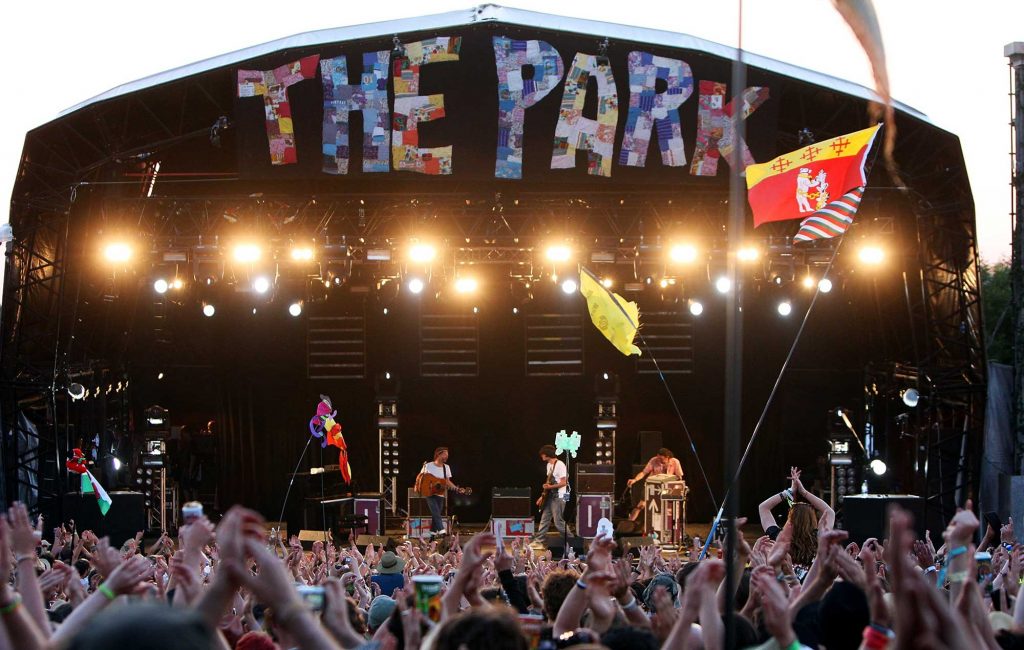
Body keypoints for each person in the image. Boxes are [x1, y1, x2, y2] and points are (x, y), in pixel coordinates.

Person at [415, 447, 465, 536]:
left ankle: (432, 534)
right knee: (436, 512)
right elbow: (420, 478)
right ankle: (442, 531)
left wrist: (457, 489)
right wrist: (424, 486)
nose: (447, 457)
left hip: (440, 494)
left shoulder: (446, 467)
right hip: (429, 493)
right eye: (445, 455)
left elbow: (447, 481)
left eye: (447, 455)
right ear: (438, 454)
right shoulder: (428, 466)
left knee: (436, 513)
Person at [625, 448, 683, 522]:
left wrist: (677, 487)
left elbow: (679, 476)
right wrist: (635, 480)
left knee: (670, 506)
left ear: (667, 457)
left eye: (662, 459)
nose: (659, 461)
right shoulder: (653, 460)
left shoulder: (675, 461)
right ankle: (629, 523)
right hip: (652, 485)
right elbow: (643, 473)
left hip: (667, 487)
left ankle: (672, 524)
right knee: (641, 505)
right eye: (658, 458)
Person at [531, 445, 567, 543]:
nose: (541, 456)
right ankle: (539, 540)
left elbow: (564, 483)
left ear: (547, 455)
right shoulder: (549, 465)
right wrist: (542, 496)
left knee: (558, 522)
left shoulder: (560, 465)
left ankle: (571, 540)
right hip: (550, 496)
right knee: (544, 519)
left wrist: (549, 487)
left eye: (543, 454)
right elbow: (549, 483)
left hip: (560, 496)